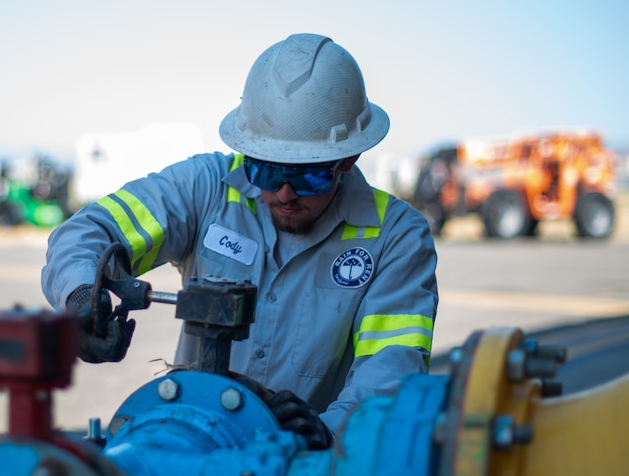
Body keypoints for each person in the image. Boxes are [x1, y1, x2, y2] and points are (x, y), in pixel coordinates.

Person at [41, 33, 438, 449]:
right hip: (191, 441)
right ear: (247, 153)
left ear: (348, 161)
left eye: (309, 176)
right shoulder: (206, 187)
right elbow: (87, 232)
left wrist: (326, 433)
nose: (285, 193)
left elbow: (392, 370)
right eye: (267, 171)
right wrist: (82, 297)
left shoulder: (396, 238)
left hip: (306, 470)